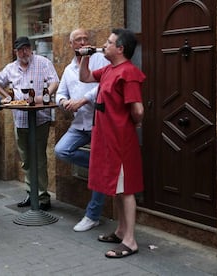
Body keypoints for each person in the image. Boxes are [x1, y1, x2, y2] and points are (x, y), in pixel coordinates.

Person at [79, 28, 145, 258]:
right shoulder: (109, 69)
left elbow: (138, 109)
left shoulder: (129, 73)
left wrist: (130, 123)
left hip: (120, 139)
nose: (104, 45)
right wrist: (84, 56)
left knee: (125, 190)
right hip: (107, 137)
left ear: (121, 49)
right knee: (117, 189)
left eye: (109, 42)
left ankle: (130, 241)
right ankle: (120, 231)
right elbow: (85, 77)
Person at [0, 36, 59, 211]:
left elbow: (55, 81)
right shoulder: (11, 68)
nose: (24, 52)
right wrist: (6, 96)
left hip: (40, 117)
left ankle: (43, 197)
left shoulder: (43, 62)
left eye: (27, 48)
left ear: (31, 48)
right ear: (16, 51)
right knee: (26, 159)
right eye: (20, 49)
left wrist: (44, 97)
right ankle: (31, 193)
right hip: (20, 119)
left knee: (40, 158)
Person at [55, 28, 110, 232]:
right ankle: (100, 167)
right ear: (71, 44)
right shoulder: (68, 69)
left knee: (98, 170)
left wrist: (84, 100)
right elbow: (59, 94)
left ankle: (92, 215)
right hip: (79, 124)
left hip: (99, 122)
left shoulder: (100, 59)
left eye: (86, 38)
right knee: (61, 150)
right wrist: (64, 102)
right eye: (78, 39)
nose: (83, 42)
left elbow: (105, 84)